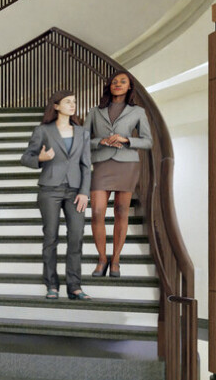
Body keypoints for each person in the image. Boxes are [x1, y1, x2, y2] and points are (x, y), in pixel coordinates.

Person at [18, 89, 92, 300]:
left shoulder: (82, 133)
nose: (72, 105)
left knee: (76, 237)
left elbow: (86, 166)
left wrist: (85, 192)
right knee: (50, 238)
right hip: (49, 190)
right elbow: (25, 158)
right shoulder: (43, 130)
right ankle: (52, 285)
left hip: (76, 192)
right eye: (67, 102)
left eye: (74, 102)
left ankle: (75, 286)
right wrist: (40, 158)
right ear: (56, 106)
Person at [87, 70, 153, 279]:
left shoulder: (138, 112)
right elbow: (81, 141)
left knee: (121, 211)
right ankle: (102, 258)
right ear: (109, 85)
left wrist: (126, 140)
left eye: (123, 81)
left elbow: (148, 141)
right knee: (97, 212)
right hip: (101, 164)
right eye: (114, 81)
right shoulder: (94, 112)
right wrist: (101, 141)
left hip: (127, 164)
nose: (118, 84)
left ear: (129, 87)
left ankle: (115, 259)